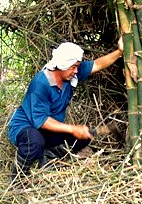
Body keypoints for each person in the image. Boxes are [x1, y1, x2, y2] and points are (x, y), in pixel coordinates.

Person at [8, 38, 123, 180]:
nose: (76, 71)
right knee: (35, 142)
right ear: (62, 65)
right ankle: (17, 178)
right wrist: (73, 128)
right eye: (73, 67)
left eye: (77, 67)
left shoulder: (69, 74)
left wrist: (119, 52)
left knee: (83, 137)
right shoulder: (40, 83)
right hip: (25, 127)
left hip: (48, 129)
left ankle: (47, 156)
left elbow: (97, 64)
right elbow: (43, 121)